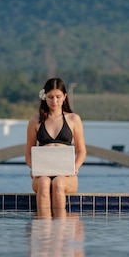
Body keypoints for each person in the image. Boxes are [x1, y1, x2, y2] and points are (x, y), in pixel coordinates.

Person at [25, 78, 86, 217]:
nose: (54, 101)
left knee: (58, 182)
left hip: (66, 176)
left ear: (64, 96)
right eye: (50, 97)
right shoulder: (34, 121)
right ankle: (44, 229)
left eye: (58, 97)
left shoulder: (73, 119)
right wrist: (33, 168)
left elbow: (82, 151)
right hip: (42, 175)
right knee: (45, 183)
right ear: (44, 97)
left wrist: (75, 168)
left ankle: (60, 229)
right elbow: (28, 152)